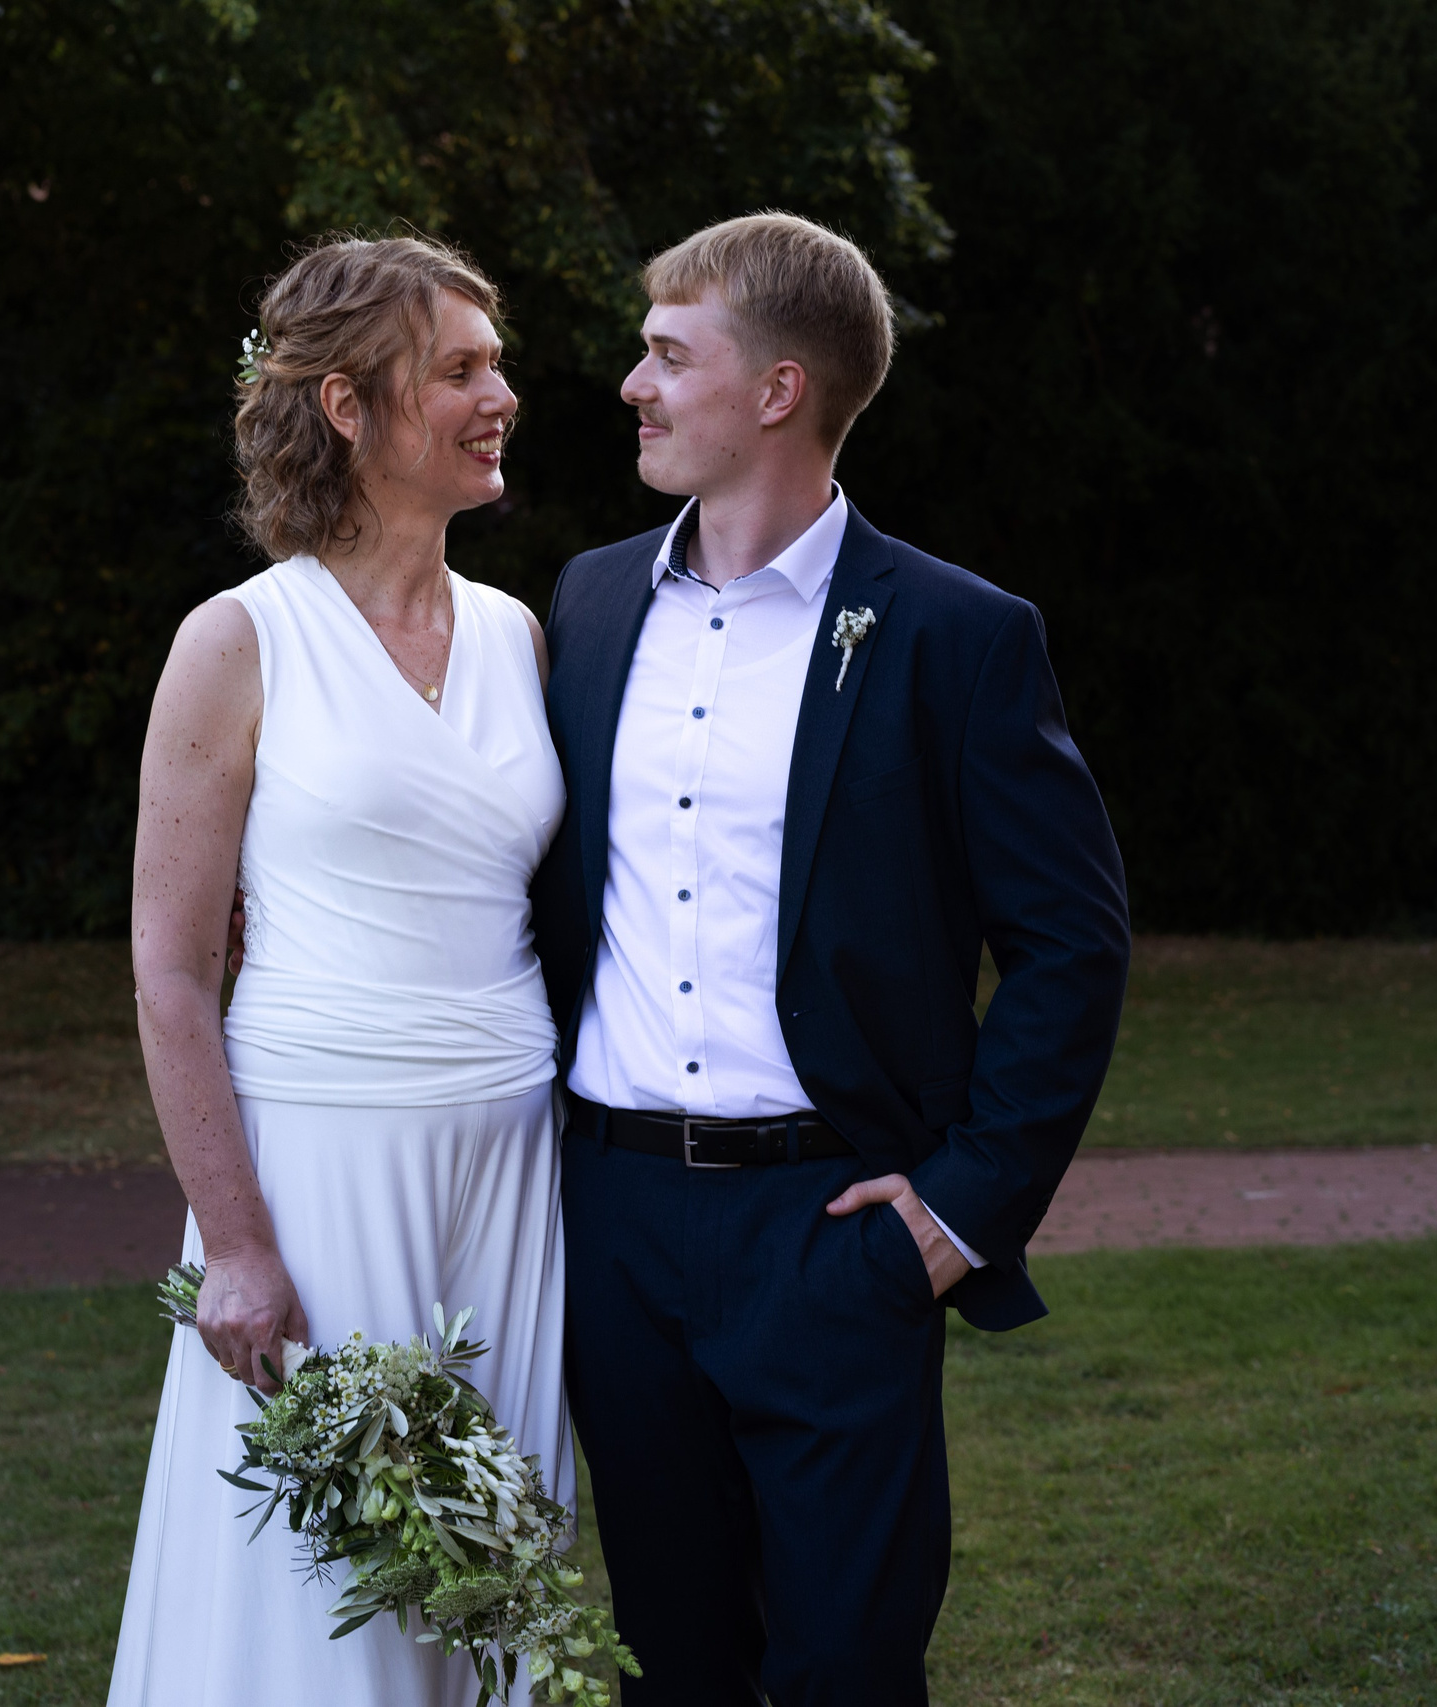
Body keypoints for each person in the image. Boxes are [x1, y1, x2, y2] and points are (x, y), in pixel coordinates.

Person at [529, 212, 1130, 1705]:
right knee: (671, 1663)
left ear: (781, 389)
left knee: (850, 1668)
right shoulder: (587, 605)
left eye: (670, 354)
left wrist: (959, 1210)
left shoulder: (953, 634)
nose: (633, 385)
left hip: (837, 1225)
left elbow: (1071, 941)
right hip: (608, 1223)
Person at [109, 235, 569, 1707]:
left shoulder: (521, 638)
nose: (501, 393)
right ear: (350, 405)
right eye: (462, 368)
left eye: (495, 363)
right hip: (317, 1168)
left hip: (515, 1168)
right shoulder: (239, 642)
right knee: (325, 1608)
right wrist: (235, 1245)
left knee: (496, 1588)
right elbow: (172, 971)